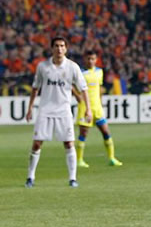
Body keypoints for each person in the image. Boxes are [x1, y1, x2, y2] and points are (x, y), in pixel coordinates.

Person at [25, 36, 92, 188]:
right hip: (45, 110)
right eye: (56, 46)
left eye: (62, 46)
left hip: (64, 111)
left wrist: (88, 109)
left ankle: (72, 178)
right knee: (36, 144)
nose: (59, 48)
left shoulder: (72, 67)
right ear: (52, 48)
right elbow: (35, 88)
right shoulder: (43, 66)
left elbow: (83, 89)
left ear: (66, 49)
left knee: (69, 143)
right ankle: (30, 177)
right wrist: (29, 108)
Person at [74, 50, 123, 168]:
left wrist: (100, 102)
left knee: (106, 131)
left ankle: (111, 158)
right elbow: (70, 83)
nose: (90, 61)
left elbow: (99, 88)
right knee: (83, 133)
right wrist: (77, 96)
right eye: (88, 59)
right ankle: (79, 160)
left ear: (96, 60)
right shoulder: (80, 72)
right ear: (84, 59)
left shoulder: (99, 72)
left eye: (93, 59)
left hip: (97, 107)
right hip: (85, 107)